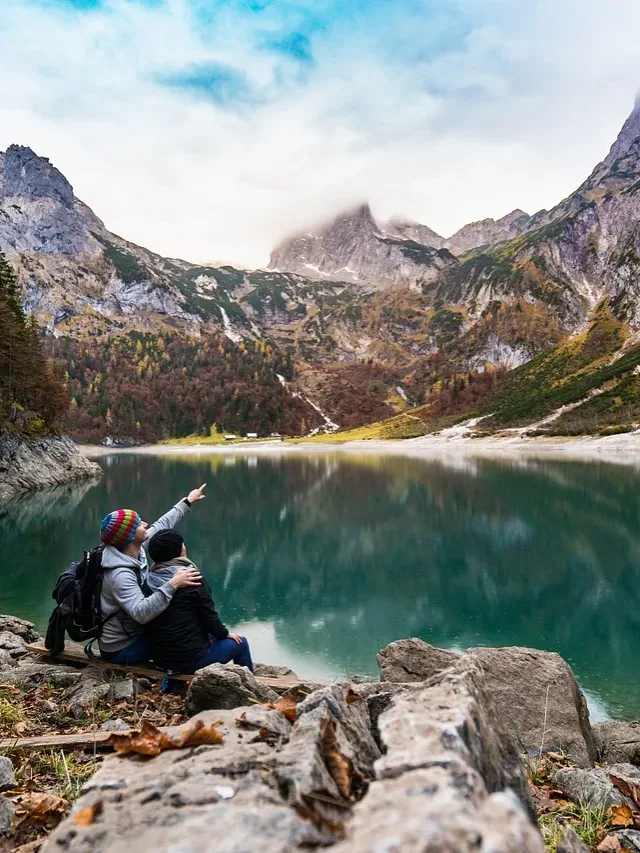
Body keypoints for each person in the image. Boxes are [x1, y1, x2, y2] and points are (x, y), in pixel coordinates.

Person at [97, 485, 207, 665]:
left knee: (183, 631)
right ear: (130, 536)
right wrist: (173, 583)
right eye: (140, 524)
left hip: (134, 632)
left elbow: (162, 524)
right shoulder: (119, 575)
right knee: (182, 641)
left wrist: (188, 501)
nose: (145, 524)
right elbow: (141, 613)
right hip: (122, 647)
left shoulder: (135, 548)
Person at [145, 528, 253, 674]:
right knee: (241, 643)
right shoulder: (192, 580)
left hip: (160, 659)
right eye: (182, 544)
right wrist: (225, 634)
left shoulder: (149, 580)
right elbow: (209, 615)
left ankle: (170, 685)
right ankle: (251, 688)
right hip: (190, 660)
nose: (184, 546)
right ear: (178, 550)